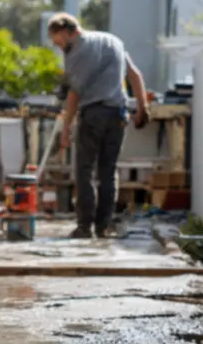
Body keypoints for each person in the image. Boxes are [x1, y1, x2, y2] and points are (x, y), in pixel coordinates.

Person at [47, 13, 150, 239]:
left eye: (58, 41)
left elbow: (74, 94)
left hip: (93, 115)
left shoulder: (78, 52)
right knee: (108, 171)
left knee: (83, 171)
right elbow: (135, 75)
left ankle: (85, 227)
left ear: (68, 31)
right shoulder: (113, 41)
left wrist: (66, 131)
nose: (59, 47)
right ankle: (103, 227)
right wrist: (142, 108)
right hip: (118, 115)